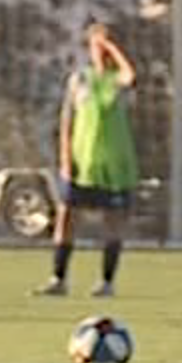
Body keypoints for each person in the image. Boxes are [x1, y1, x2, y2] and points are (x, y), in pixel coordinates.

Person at [31, 20, 140, 298]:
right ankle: (59, 278)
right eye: (95, 45)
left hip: (114, 165)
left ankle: (106, 282)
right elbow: (67, 119)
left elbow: (130, 74)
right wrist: (66, 157)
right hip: (83, 162)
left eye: (104, 45)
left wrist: (111, 48)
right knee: (67, 216)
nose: (99, 51)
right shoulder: (80, 79)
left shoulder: (118, 81)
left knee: (113, 221)